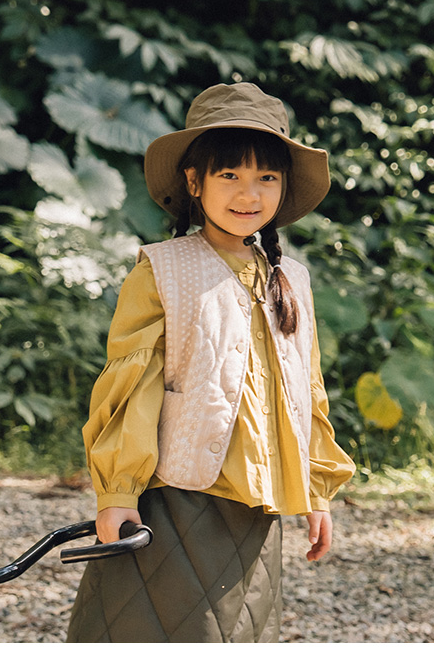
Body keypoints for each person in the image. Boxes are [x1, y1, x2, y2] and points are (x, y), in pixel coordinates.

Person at [66, 82, 355, 643]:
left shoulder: (292, 279)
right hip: (176, 498)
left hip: (259, 508)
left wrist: (317, 490)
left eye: (266, 177)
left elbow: (308, 392)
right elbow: (133, 386)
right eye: (229, 175)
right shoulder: (162, 270)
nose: (249, 194)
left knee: (241, 634)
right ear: (194, 182)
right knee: (149, 630)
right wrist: (118, 491)